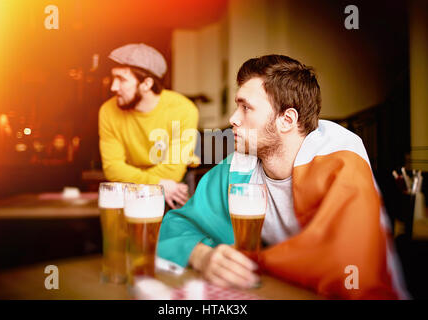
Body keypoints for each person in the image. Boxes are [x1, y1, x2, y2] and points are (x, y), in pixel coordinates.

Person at [158, 54, 409, 299]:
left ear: (286, 120)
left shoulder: (340, 157)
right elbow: (174, 226)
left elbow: (344, 263)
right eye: (237, 106)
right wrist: (201, 255)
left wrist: (250, 261)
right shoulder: (239, 164)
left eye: (246, 108)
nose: (233, 119)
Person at [99, 43, 199, 209]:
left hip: (173, 184)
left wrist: (137, 181)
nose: (113, 87)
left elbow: (172, 171)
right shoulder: (108, 111)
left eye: (122, 79)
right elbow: (112, 169)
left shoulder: (183, 109)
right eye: (113, 78)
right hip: (138, 184)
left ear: (147, 84)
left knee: (177, 230)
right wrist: (157, 183)